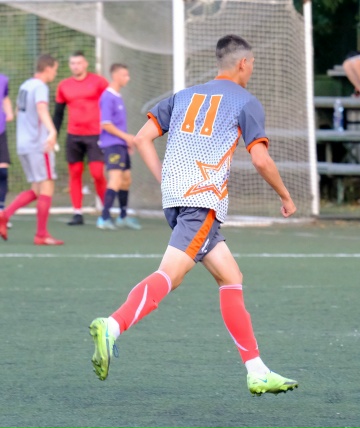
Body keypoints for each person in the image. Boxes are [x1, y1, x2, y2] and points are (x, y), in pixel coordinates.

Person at [88, 35, 299, 396]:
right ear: (243, 63)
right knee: (170, 275)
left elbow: (141, 138)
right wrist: (285, 196)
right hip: (202, 201)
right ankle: (113, 324)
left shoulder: (183, 96)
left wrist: (166, 180)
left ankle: (257, 370)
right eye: (252, 64)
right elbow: (261, 159)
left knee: (230, 276)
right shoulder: (245, 101)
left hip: (178, 199)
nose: (252, 70)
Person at [0, 55, 63, 245]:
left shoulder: (25, 85)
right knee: (47, 185)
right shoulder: (40, 86)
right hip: (38, 144)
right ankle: (41, 235)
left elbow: (18, 111)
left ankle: (5, 215)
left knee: (36, 189)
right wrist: (52, 131)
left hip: (24, 144)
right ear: (47, 68)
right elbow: (41, 109)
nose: (55, 73)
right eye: (55, 70)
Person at [53, 51, 109, 225]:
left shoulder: (99, 82)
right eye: (73, 63)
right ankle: (77, 212)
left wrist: (110, 131)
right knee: (75, 173)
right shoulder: (64, 85)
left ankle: (106, 211)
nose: (76, 66)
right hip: (73, 136)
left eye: (79, 63)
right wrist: (54, 134)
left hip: (95, 135)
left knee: (97, 173)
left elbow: (110, 105)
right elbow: (58, 113)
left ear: (85, 64)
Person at [96, 63, 140, 230]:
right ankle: (104, 218)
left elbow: (119, 124)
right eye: (124, 75)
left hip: (120, 144)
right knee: (115, 179)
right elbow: (106, 124)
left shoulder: (118, 96)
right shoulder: (108, 97)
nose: (127, 78)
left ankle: (122, 216)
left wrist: (126, 142)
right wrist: (126, 137)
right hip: (112, 145)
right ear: (115, 76)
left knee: (126, 179)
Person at [0, 73, 14, 214]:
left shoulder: (3, 79)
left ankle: (1, 211)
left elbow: (5, 97)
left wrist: (9, 112)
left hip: (1, 132)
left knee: (2, 172)